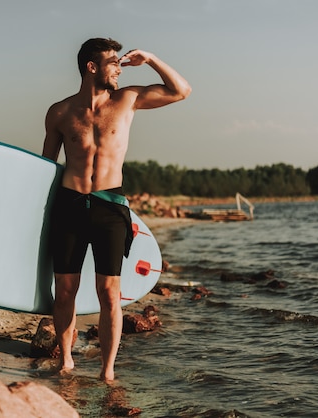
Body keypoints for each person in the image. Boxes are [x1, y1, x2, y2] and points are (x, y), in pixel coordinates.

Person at [42, 37, 191, 382]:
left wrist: (150, 57)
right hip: (70, 204)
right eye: (113, 63)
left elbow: (181, 90)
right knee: (65, 289)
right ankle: (66, 360)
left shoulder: (128, 100)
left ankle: (107, 372)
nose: (119, 69)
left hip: (109, 206)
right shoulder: (60, 112)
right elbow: (46, 165)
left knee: (109, 292)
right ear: (91, 67)